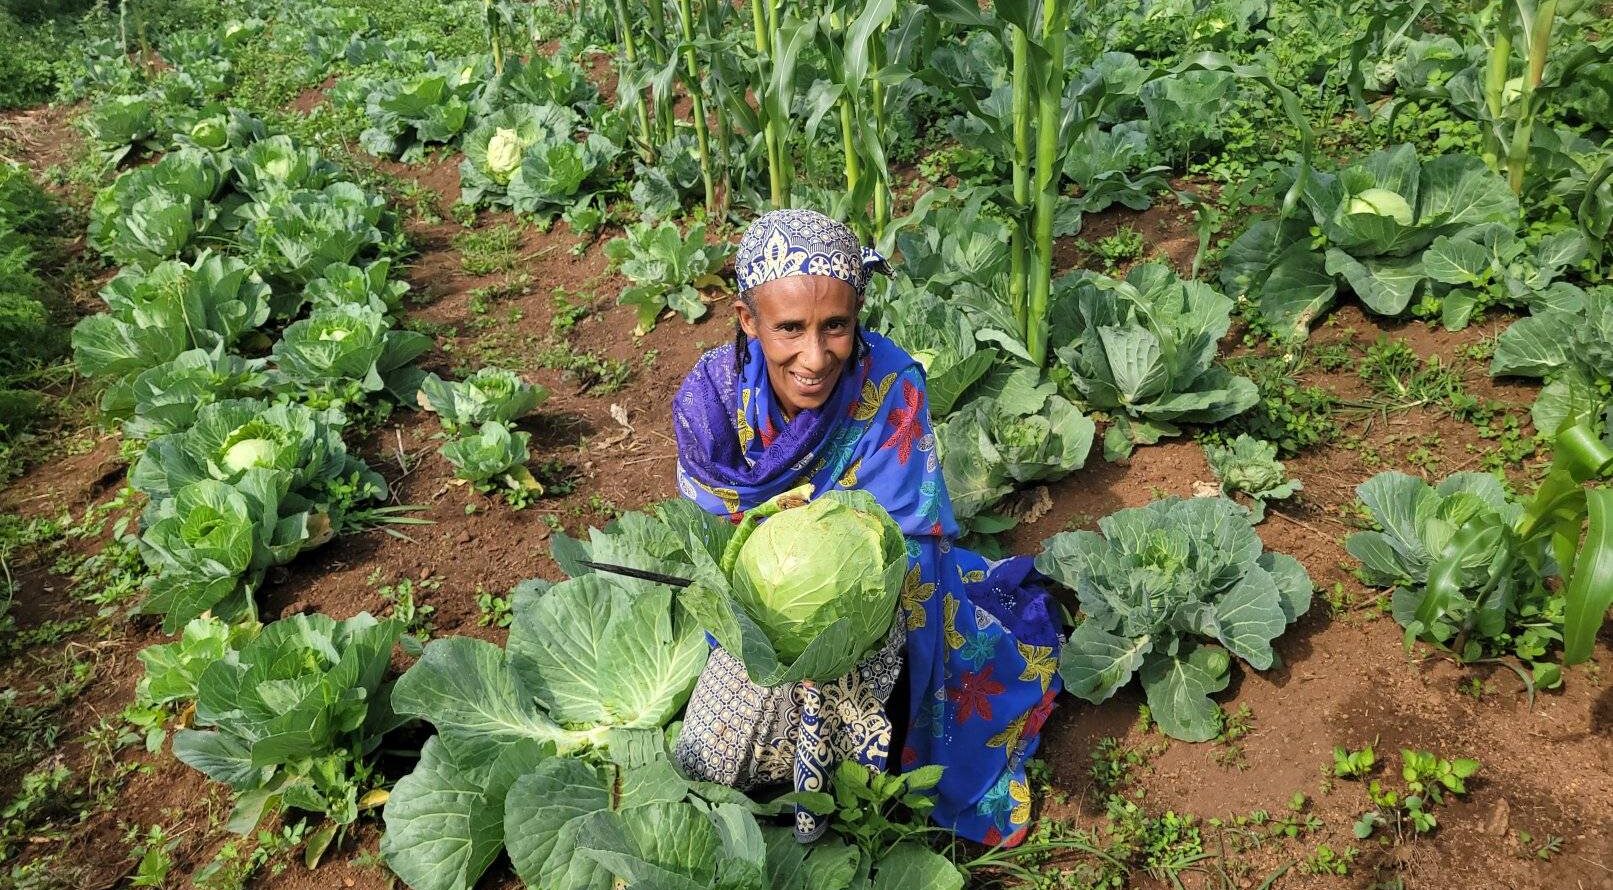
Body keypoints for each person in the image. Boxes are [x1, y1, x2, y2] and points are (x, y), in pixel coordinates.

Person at [671, 209, 1062, 846]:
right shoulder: (713, 403)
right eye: (789, 328)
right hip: (764, 616)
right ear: (749, 321)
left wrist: (837, 576)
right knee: (708, 761)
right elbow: (712, 533)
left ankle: (862, 775)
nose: (815, 355)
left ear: (858, 318)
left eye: (837, 327)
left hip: (877, 612)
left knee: (848, 773)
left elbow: (914, 533)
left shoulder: (890, 385)